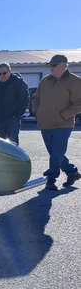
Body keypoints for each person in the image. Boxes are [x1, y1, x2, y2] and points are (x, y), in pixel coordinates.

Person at [31, 54, 81, 190]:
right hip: (45, 123)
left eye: (54, 66)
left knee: (57, 152)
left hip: (63, 124)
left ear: (63, 66)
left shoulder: (75, 81)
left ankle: (51, 178)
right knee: (55, 153)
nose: (51, 69)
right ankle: (72, 172)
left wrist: (64, 115)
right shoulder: (45, 81)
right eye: (50, 66)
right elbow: (36, 97)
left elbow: (79, 103)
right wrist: (36, 111)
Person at [0, 62, 29, 145]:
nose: (2, 75)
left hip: (12, 119)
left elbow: (25, 99)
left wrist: (17, 114)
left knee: (13, 144)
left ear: (9, 72)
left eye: (4, 73)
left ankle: (14, 158)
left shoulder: (18, 83)